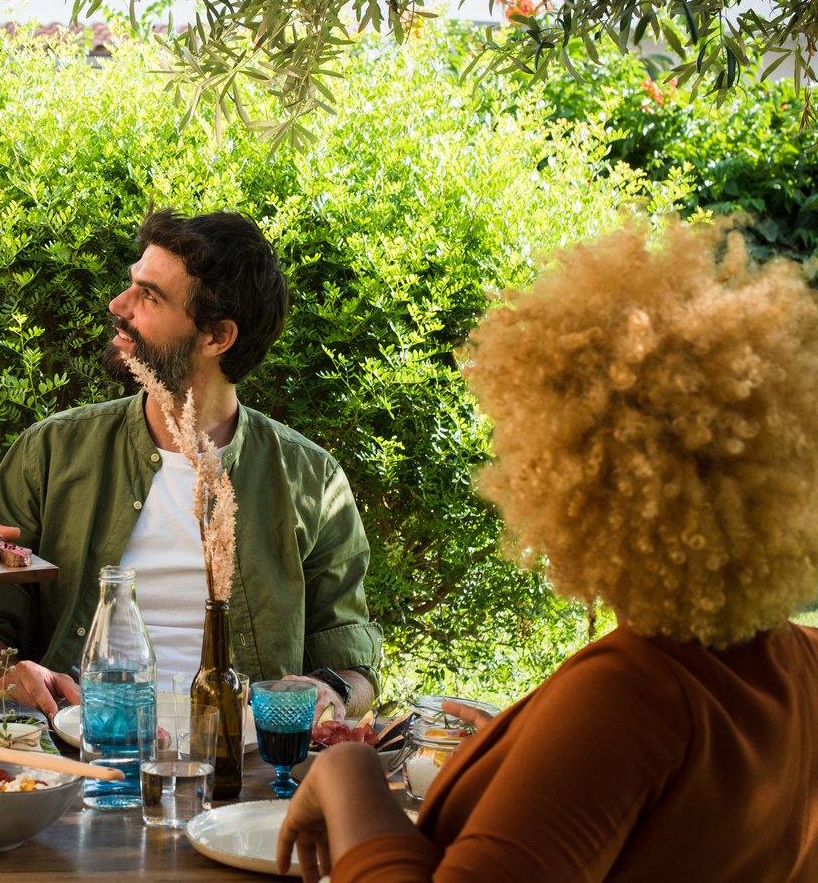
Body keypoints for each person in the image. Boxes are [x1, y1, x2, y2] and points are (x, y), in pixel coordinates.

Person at [278, 220, 818, 882]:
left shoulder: (634, 692)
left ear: (583, 476)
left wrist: (348, 775)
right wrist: (524, 743)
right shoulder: (799, 667)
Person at [0, 208, 382, 719]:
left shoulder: (310, 478)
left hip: (242, 760)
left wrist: (328, 692)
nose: (118, 304)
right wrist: (4, 678)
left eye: (149, 296)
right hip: (78, 749)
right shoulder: (50, 452)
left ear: (217, 337)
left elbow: (352, 666)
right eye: (132, 284)